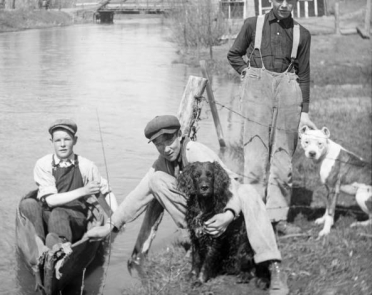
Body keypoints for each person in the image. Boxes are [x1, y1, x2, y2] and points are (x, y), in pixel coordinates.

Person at [87, 115, 289, 295]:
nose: (166, 148)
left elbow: (234, 188)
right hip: (208, 215)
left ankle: (272, 266)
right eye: (158, 143)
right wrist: (110, 226)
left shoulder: (195, 152)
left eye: (169, 139)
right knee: (156, 180)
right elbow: (137, 196)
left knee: (249, 192)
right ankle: (199, 238)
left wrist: (227, 216)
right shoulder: (163, 162)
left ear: (180, 135)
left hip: (233, 210)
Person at [227, 0, 316, 236]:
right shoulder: (252, 25)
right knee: (254, 155)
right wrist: (247, 73)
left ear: (296, 0)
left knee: (283, 158)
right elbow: (233, 54)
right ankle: (252, 215)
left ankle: (278, 218)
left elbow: (305, 74)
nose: (284, 4)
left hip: (289, 94)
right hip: (257, 94)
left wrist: (305, 113)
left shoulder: (303, 34)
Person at [19, 119, 117, 250]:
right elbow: (51, 200)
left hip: (75, 218)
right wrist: (84, 191)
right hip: (49, 213)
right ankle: (40, 245)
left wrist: (115, 218)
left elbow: (106, 192)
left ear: (75, 140)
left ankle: (59, 248)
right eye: (58, 140)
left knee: (59, 213)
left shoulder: (86, 166)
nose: (62, 145)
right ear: (52, 142)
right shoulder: (43, 164)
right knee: (28, 204)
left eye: (67, 139)